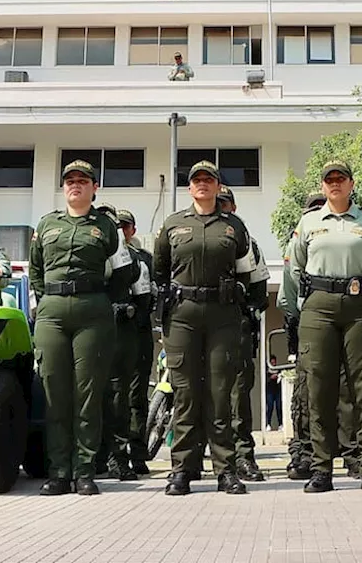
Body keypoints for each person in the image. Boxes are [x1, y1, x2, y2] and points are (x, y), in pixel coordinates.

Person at [29, 161, 132, 496]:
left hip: (93, 312)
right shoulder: (47, 224)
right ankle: (59, 471)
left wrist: (104, 299)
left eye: (82, 181)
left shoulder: (106, 226)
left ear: (94, 187)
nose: (76, 185)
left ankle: (85, 471)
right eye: (70, 181)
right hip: (52, 313)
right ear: (64, 188)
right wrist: (49, 300)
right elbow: (35, 271)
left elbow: (124, 271)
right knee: (54, 393)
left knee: (87, 394)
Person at [153, 160, 255, 496]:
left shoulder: (234, 227)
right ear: (189, 187)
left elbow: (246, 272)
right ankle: (182, 469)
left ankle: (225, 470)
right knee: (185, 394)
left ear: (216, 186)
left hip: (222, 315)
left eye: (208, 180)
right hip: (182, 315)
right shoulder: (172, 225)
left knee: (218, 393)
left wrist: (238, 296)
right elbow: (160, 271)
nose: (202, 185)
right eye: (196, 180)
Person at [289, 160, 362, 493]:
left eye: (341, 179)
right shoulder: (308, 223)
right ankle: (321, 469)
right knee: (318, 389)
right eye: (329, 180)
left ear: (351, 184)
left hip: (360, 306)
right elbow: (296, 268)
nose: (335, 184)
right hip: (318, 307)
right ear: (322, 187)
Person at [281, 192, 360, 480]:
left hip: (345, 319)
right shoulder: (300, 240)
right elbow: (289, 291)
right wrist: (296, 325)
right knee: (307, 393)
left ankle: (353, 455)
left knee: (348, 390)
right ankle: (305, 454)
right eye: (314, 210)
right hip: (310, 324)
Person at [216, 185, 270, 482]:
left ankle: (243, 456)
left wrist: (249, 311)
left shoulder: (248, 241)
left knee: (238, 394)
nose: (222, 208)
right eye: (218, 204)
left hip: (236, 325)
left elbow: (260, 285)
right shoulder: (199, 237)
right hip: (205, 325)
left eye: (226, 204)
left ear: (233, 208)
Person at [93, 203, 144, 482]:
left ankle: (117, 454)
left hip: (117, 329)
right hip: (85, 321)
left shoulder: (126, 253)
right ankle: (89, 456)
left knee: (117, 395)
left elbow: (137, 289)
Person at [115, 209, 156, 476]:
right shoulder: (105, 255)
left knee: (136, 397)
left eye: (125, 226)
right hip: (112, 332)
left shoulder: (145, 259)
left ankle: (138, 453)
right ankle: (112, 455)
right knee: (114, 395)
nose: (121, 230)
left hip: (138, 331)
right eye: (116, 226)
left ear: (133, 229)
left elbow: (151, 293)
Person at [265, 355, 283, 430]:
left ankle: (280, 424)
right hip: (270, 391)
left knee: (279, 407)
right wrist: (270, 378)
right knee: (270, 407)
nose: (273, 363)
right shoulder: (266, 371)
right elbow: (265, 381)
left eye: (274, 362)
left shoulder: (279, 370)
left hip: (278, 391)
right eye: (272, 362)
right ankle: (268, 424)